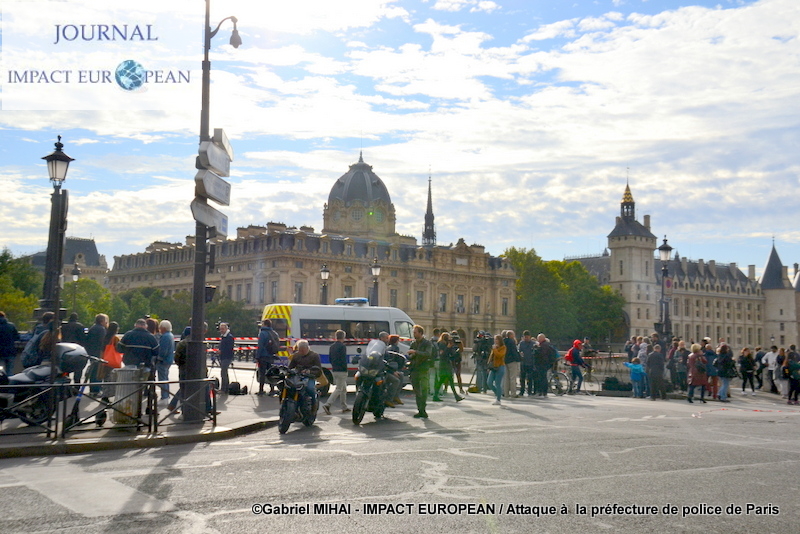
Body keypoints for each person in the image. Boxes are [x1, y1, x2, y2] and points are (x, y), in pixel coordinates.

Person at [407, 324, 433, 418]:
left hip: (423, 369)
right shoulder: (413, 343)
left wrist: (415, 352)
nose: (414, 334)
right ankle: (420, 410)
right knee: (417, 391)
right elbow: (410, 356)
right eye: (413, 332)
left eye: (415, 332)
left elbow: (428, 353)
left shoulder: (427, 343)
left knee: (424, 390)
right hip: (414, 369)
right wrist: (411, 355)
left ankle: (423, 409)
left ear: (420, 333)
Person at [323, 329, 350, 414]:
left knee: (343, 389)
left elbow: (330, 358)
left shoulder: (332, 346)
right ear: (343, 337)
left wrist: (334, 366)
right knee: (339, 389)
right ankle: (327, 404)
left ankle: (344, 406)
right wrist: (345, 369)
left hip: (335, 369)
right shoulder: (342, 346)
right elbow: (343, 359)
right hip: (342, 370)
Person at [433, 332, 463, 402]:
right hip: (444, 364)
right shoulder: (441, 344)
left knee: (442, 381)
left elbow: (452, 355)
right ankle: (456, 396)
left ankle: (435, 395)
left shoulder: (447, 344)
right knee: (449, 380)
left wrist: (457, 350)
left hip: (447, 364)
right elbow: (442, 354)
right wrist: (448, 347)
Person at [84, 313, 108, 394]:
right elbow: (103, 342)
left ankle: (92, 388)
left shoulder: (92, 328)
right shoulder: (102, 329)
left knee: (93, 371)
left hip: (91, 352)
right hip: (98, 353)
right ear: (102, 321)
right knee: (98, 372)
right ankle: (96, 389)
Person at [256, 319, 281, 396]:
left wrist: (257, 356)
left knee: (262, 373)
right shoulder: (274, 333)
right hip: (271, 356)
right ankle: (272, 389)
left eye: (262, 323)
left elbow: (260, 346)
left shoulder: (262, 333)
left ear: (265, 324)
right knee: (271, 373)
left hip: (263, 356)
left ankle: (261, 390)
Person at [61, 312, 87, 383]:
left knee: (66, 368)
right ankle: (77, 384)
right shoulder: (80, 326)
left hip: (66, 349)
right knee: (78, 368)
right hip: (77, 349)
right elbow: (83, 339)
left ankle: (66, 383)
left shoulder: (64, 326)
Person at [385, 334, 406, 406]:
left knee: (401, 375)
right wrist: (393, 371)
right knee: (397, 380)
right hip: (388, 370)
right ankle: (390, 399)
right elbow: (394, 360)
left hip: (389, 369)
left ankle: (395, 396)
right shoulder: (395, 348)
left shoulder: (387, 348)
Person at [157, 320, 175, 401]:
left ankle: (164, 396)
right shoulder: (170, 335)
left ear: (163, 328)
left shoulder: (165, 337)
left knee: (162, 379)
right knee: (165, 378)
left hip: (163, 361)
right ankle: (166, 395)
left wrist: (158, 358)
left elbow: (163, 350)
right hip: (169, 360)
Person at [488, 334, 506, 406]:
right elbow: (491, 356)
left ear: (500, 340)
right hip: (493, 366)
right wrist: (489, 365)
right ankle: (498, 393)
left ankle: (498, 399)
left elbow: (499, 355)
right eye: (495, 339)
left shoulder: (503, 347)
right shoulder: (494, 347)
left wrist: (495, 349)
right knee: (489, 382)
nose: (495, 341)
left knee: (497, 383)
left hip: (500, 366)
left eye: (497, 339)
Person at [217, 322, 234, 394]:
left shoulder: (229, 337)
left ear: (226, 329)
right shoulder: (224, 336)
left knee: (223, 372)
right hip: (224, 357)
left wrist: (221, 351)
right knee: (224, 372)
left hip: (227, 357)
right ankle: (225, 388)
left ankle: (224, 389)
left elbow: (229, 348)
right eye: (220, 329)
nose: (221, 330)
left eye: (222, 329)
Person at [503, 330, 521, 398]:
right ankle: (513, 393)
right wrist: (518, 359)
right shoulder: (512, 342)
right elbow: (514, 352)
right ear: (511, 335)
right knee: (513, 377)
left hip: (505, 361)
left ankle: (506, 393)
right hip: (512, 361)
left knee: (506, 378)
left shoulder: (504, 341)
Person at [518, 330, 536, 396]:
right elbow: (519, 351)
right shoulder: (521, 343)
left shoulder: (533, 343)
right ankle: (522, 391)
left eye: (527, 337)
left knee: (530, 378)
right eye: (525, 337)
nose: (526, 338)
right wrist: (520, 354)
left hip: (531, 363)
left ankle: (529, 391)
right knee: (522, 378)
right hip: (523, 362)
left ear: (530, 336)